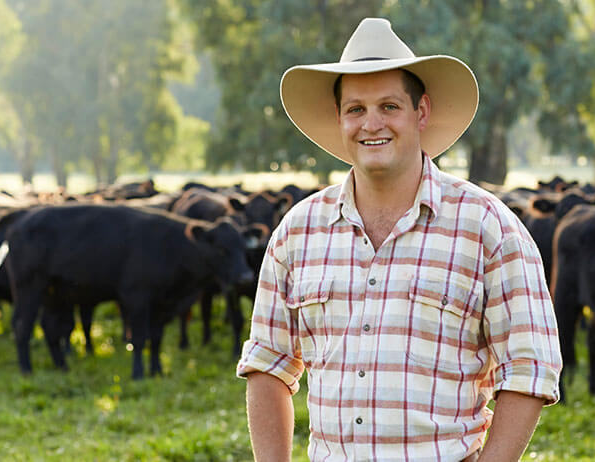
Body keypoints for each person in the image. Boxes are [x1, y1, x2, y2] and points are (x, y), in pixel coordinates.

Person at [236, 17, 562, 462]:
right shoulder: (297, 231)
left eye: (389, 106)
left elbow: (529, 369)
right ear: (339, 118)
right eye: (355, 109)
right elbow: (268, 366)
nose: (371, 124)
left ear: (421, 112)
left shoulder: (489, 227)